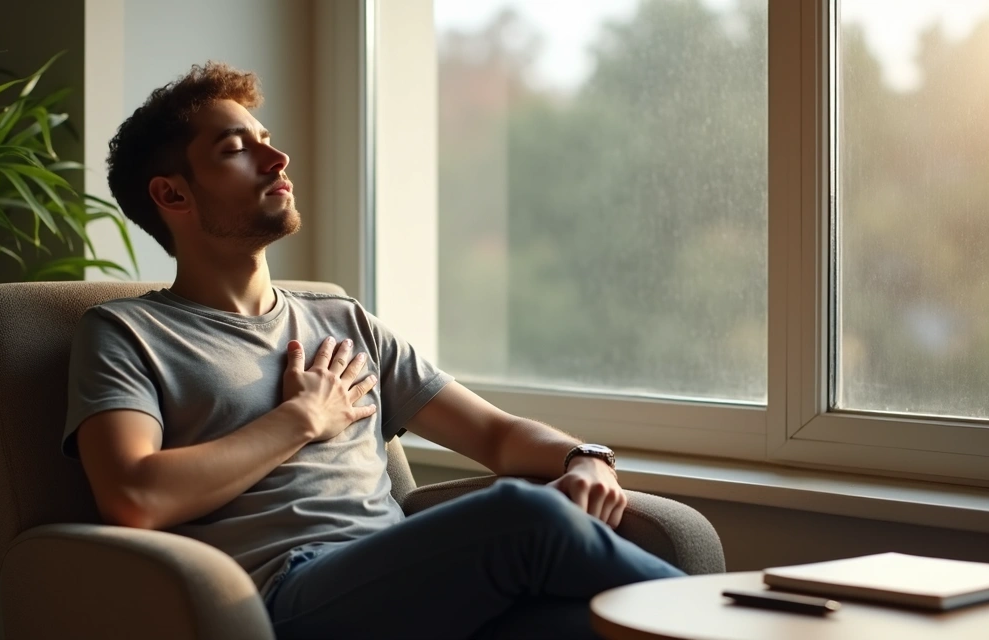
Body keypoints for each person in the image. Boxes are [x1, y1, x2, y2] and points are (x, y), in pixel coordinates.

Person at [64, 61, 683, 640]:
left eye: (266, 138)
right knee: (527, 515)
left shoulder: (344, 320)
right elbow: (134, 496)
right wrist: (302, 419)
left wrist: (586, 457)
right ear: (173, 196)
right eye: (236, 149)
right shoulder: (127, 332)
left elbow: (496, 436)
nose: (276, 157)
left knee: (601, 626)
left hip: (413, 582)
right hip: (284, 596)